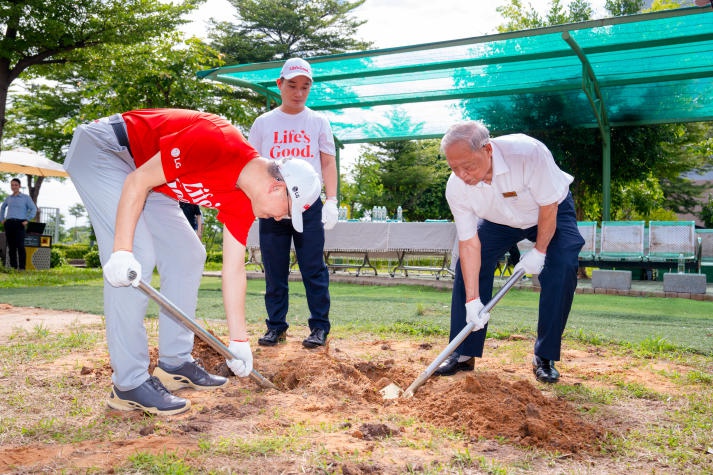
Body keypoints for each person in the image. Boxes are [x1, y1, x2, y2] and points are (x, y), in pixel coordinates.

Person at [64, 108, 321, 415]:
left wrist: (238, 341)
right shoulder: (217, 142)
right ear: (276, 187)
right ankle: (129, 383)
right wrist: (121, 251)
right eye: (286, 211)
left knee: (189, 254)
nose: (280, 218)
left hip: (152, 180)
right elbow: (137, 181)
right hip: (108, 150)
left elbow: (234, 269)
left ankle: (174, 363)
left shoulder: (244, 202)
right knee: (137, 257)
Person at [435, 121, 584, 384]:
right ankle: (463, 352)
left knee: (562, 263)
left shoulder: (527, 153)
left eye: (467, 165)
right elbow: (469, 244)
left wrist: (539, 252)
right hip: (498, 221)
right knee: (468, 266)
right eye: (453, 168)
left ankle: (544, 356)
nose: (462, 174)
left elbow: (548, 206)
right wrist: (472, 301)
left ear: (488, 149)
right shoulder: (456, 187)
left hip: (548, 211)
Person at [248, 57, 339, 349]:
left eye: (305, 87)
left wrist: (333, 200)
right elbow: (252, 165)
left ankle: (319, 327)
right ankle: (276, 326)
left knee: (313, 268)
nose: (298, 93)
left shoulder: (318, 121)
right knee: (275, 269)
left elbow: (327, 162)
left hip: (308, 206)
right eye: (292, 86)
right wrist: (254, 201)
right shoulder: (264, 123)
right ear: (280, 85)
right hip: (273, 208)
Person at [1, 178, 38, 270]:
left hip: (20, 224)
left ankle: (22, 268)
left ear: (19, 186)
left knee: (20, 246)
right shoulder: (9, 198)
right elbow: (2, 208)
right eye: (12, 185)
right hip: (9, 224)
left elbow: (34, 209)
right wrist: (2, 219)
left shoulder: (25, 198)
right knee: (11, 247)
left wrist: (27, 219)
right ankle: (13, 267)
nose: (14, 187)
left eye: (16, 185)